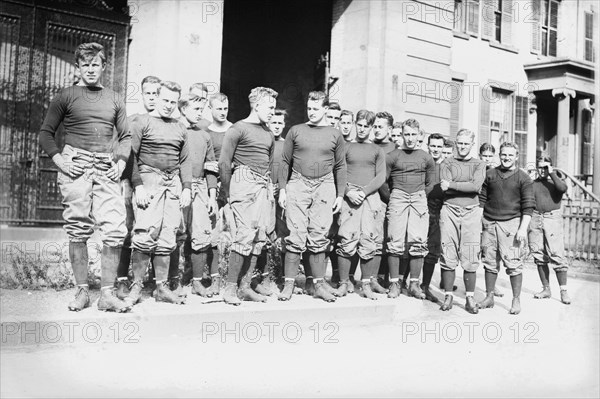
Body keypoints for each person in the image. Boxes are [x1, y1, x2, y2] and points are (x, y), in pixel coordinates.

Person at [39, 42, 131, 312]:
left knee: (115, 228)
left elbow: (125, 136)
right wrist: (60, 161)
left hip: (105, 166)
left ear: (104, 67)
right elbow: (46, 133)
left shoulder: (115, 98)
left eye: (96, 64)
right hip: (75, 164)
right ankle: (81, 292)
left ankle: (107, 295)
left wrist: (122, 161)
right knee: (78, 228)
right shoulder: (66, 96)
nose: (91, 70)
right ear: (77, 66)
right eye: (85, 64)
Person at [126, 81, 192, 306]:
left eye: (173, 102)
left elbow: (184, 160)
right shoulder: (142, 122)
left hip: (172, 183)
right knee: (145, 233)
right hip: (149, 181)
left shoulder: (180, 126)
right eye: (165, 100)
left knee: (167, 235)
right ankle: (136, 286)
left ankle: (161, 287)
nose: (168, 106)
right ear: (157, 98)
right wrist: (138, 186)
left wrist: (187, 188)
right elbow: (130, 155)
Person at [278, 91, 347, 302]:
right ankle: (288, 284)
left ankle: (318, 285)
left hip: (325, 184)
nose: (312, 112)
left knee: (319, 234)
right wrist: (282, 189)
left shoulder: (335, 134)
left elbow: (340, 165)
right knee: (295, 233)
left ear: (326, 109)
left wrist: (340, 195)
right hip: (298, 182)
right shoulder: (296, 131)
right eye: (309, 108)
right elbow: (284, 161)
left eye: (316, 108)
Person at [218, 87, 277, 305]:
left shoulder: (269, 133)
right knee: (243, 235)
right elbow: (224, 163)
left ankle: (244, 287)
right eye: (270, 107)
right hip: (243, 181)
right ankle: (230, 289)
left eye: (274, 107)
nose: (273, 111)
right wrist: (226, 193)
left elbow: (269, 162)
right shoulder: (238, 128)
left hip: (262, 184)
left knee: (259, 237)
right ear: (257, 104)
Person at [115, 75, 161, 300]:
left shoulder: (164, 122)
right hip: (135, 182)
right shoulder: (134, 120)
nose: (152, 98)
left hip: (156, 185)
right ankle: (122, 281)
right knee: (128, 230)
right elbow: (128, 155)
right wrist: (128, 183)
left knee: (153, 231)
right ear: (142, 95)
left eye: (156, 93)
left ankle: (149, 281)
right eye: (148, 93)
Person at [479, 142, 535, 314]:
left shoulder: (523, 178)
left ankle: (516, 300)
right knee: (489, 262)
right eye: (504, 154)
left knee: (514, 263)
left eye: (510, 155)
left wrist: (522, 228)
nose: (506, 158)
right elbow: (482, 199)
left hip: (511, 224)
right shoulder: (490, 174)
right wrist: (479, 223)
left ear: (517, 157)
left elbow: (528, 205)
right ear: (499, 155)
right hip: (489, 222)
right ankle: (489, 297)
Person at [336, 109, 386, 300]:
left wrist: (364, 192)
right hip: (350, 197)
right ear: (356, 124)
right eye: (360, 125)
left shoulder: (377, 150)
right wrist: (348, 191)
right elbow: (339, 170)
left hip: (370, 197)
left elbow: (380, 176)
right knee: (346, 239)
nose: (363, 129)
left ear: (372, 128)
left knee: (368, 240)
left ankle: (365, 284)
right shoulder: (346, 147)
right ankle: (342, 283)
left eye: (367, 126)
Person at [385, 118, 435, 299]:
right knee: (395, 241)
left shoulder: (426, 157)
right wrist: (394, 197)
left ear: (420, 135)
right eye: (407, 134)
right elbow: (384, 180)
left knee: (418, 241)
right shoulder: (393, 155)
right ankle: (394, 283)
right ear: (401, 134)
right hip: (398, 196)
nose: (410, 138)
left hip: (419, 198)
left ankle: (414, 283)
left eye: (414, 134)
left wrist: (419, 195)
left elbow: (431, 183)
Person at [438, 129, 486, 313]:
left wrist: (452, 185)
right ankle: (448, 296)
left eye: (466, 143)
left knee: (470, 253)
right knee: (448, 252)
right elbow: (444, 188)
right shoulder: (447, 162)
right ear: (456, 143)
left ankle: (469, 298)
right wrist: (457, 187)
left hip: (472, 212)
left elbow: (476, 187)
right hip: (449, 209)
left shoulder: (479, 164)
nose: (463, 146)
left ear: (472, 144)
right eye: (460, 143)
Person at [178, 94, 218, 297]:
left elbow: (211, 168)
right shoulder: (175, 130)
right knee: (176, 232)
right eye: (195, 109)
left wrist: (212, 196)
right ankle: (172, 281)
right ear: (183, 109)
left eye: (201, 109)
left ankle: (196, 282)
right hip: (177, 185)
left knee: (202, 234)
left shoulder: (204, 135)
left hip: (200, 186)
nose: (200, 113)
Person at [528, 156, 571, 304]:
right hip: (535, 217)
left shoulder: (555, 182)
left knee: (557, 254)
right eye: (540, 167)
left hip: (552, 218)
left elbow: (563, 189)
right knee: (539, 254)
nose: (542, 170)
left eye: (545, 167)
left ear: (550, 167)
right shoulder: (533, 183)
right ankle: (546, 288)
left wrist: (552, 173)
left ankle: (563, 291)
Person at [203, 92, 233, 296]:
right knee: (210, 233)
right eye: (218, 109)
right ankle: (212, 278)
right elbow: (201, 158)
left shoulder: (234, 130)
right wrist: (206, 163)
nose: (222, 112)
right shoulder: (205, 131)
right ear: (210, 109)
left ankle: (234, 280)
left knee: (237, 233)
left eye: (225, 108)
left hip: (232, 187)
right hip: (210, 186)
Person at [371, 112, 397, 294]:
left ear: (390, 129)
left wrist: (392, 198)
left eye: (381, 127)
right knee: (374, 239)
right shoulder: (370, 147)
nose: (377, 130)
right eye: (375, 126)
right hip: (374, 198)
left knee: (390, 239)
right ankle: (373, 278)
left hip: (392, 199)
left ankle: (387, 277)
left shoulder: (396, 150)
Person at [420, 133, 445, 301]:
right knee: (413, 247)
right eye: (433, 146)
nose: (435, 149)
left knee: (433, 251)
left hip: (438, 212)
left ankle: (425, 286)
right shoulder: (422, 163)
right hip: (421, 209)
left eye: (438, 146)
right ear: (428, 146)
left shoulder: (447, 167)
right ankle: (405, 282)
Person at [479, 143, 504, 298]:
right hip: (476, 211)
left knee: (494, 253)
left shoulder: (496, 173)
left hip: (491, 215)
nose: (487, 159)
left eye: (490, 156)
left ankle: (492, 286)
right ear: (480, 155)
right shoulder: (476, 169)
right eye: (484, 156)